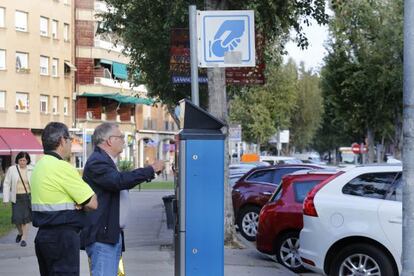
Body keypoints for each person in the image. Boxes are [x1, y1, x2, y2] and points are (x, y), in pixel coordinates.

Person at [81, 122, 165, 276]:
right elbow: (118, 181)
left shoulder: (106, 160)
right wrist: (150, 170)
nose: (123, 141)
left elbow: (121, 182)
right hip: (102, 236)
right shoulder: (97, 161)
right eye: (120, 137)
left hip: (111, 234)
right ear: (109, 140)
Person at [31, 122, 98, 276]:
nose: (70, 144)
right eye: (70, 140)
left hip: (43, 237)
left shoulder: (38, 167)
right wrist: (81, 202)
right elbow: (93, 202)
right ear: (62, 140)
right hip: (62, 239)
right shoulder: (62, 167)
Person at [3, 151, 33, 247]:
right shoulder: (12, 169)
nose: (22, 162)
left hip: (27, 196)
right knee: (16, 219)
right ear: (18, 160)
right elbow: (7, 184)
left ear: (27, 160)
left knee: (26, 219)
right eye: (21, 160)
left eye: (24, 160)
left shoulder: (31, 169)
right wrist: (5, 199)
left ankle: (24, 239)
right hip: (16, 197)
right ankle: (20, 233)